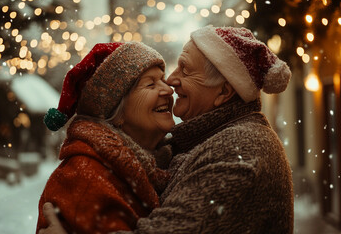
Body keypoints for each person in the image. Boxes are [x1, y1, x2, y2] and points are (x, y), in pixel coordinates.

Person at [39, 26, 294, 234]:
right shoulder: (94, 173)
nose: (171, 83)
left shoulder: (239, 149)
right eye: (150, 83)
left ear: (224, 92)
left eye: (184, 69)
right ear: (116, 111)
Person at [36, 41, 175, 234]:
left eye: (164, 80)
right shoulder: (85, 177)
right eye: (151, 84)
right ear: (116, 112)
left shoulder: (163, 161)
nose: (168, 90)